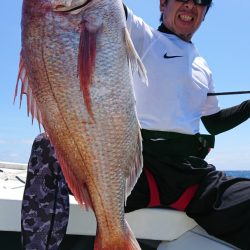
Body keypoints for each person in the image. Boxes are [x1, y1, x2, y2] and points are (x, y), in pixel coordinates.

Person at [21, 0, 250, 249]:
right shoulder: (140, 33)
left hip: (190, 174)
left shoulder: (202, 66)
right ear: (163, 4)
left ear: (205, 14)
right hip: (136, 168)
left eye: (200, 2)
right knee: (46, 148)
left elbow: (214, 122)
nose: (190, 6)